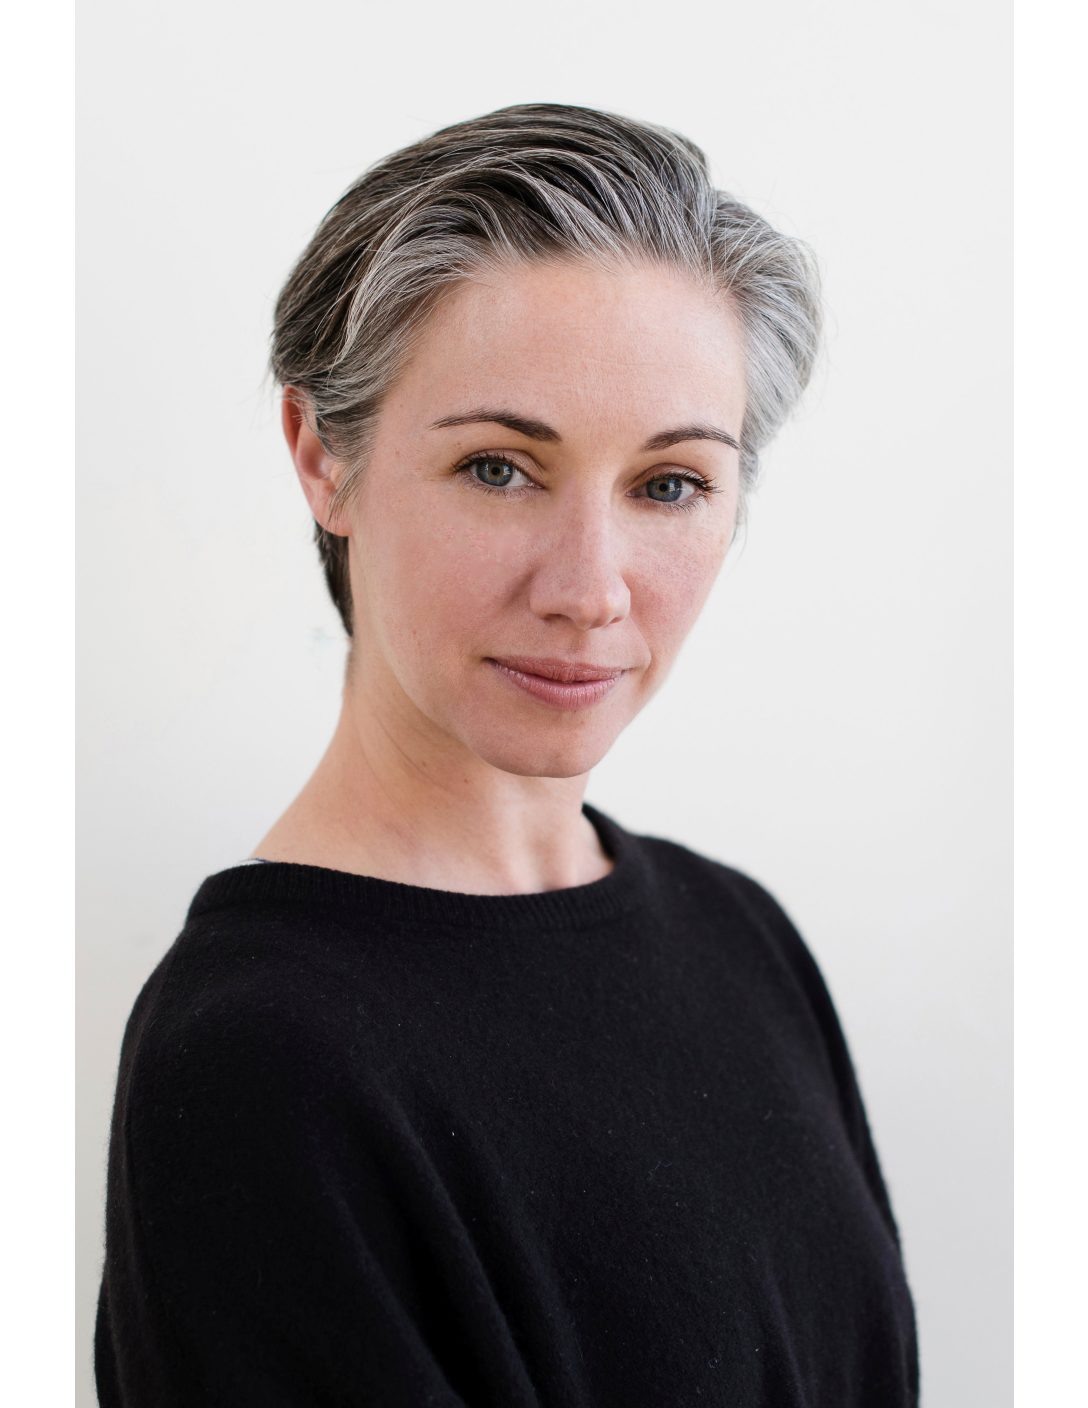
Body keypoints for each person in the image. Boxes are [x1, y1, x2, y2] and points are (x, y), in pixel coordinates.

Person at [94, 102, 919, 1405]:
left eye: (669, 484)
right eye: (498, 468)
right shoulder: (259, 1062)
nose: (591, 591)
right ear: (322, 456)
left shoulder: (741, 936)